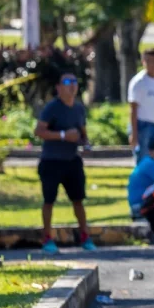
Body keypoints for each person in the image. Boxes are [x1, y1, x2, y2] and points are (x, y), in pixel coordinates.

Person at [34, 73, 96, 254]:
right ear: (58, 87)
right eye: (67, 82)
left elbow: (83, 133)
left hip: (72, 161)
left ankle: (85, 236)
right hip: (51, 161)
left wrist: (86, 144)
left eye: (74, 81)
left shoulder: (79, 108)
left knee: (78, 200)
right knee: (49, 201)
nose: (72, 85)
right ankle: (47, 238)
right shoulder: (52, 107)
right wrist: (62, 135)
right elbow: (39, 131)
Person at [127, 48, 154, 163]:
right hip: (142, 125)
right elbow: (133, 109)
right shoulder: (138, 82)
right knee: (143, 159)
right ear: (143, 62)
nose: (151, 64)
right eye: (147, 61)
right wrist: (134, 134)